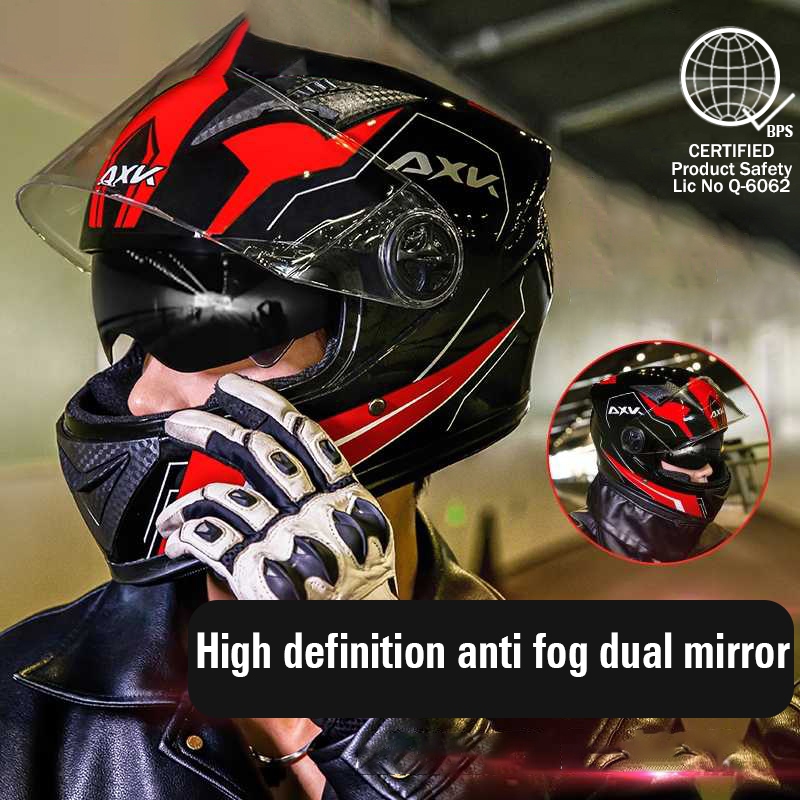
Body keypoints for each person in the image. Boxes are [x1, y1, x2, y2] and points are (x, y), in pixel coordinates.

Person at [0, 15, 554, 799]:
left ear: (411, 345)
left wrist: (402, 739)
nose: (145, 397)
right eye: (134, 338)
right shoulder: (21, 707)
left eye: (232, 335)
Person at [570, 366, 741, 562]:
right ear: (633, 449)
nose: (709, 469)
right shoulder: (576, 556)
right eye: (691, 455)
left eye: (713, 448)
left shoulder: (717, 541)